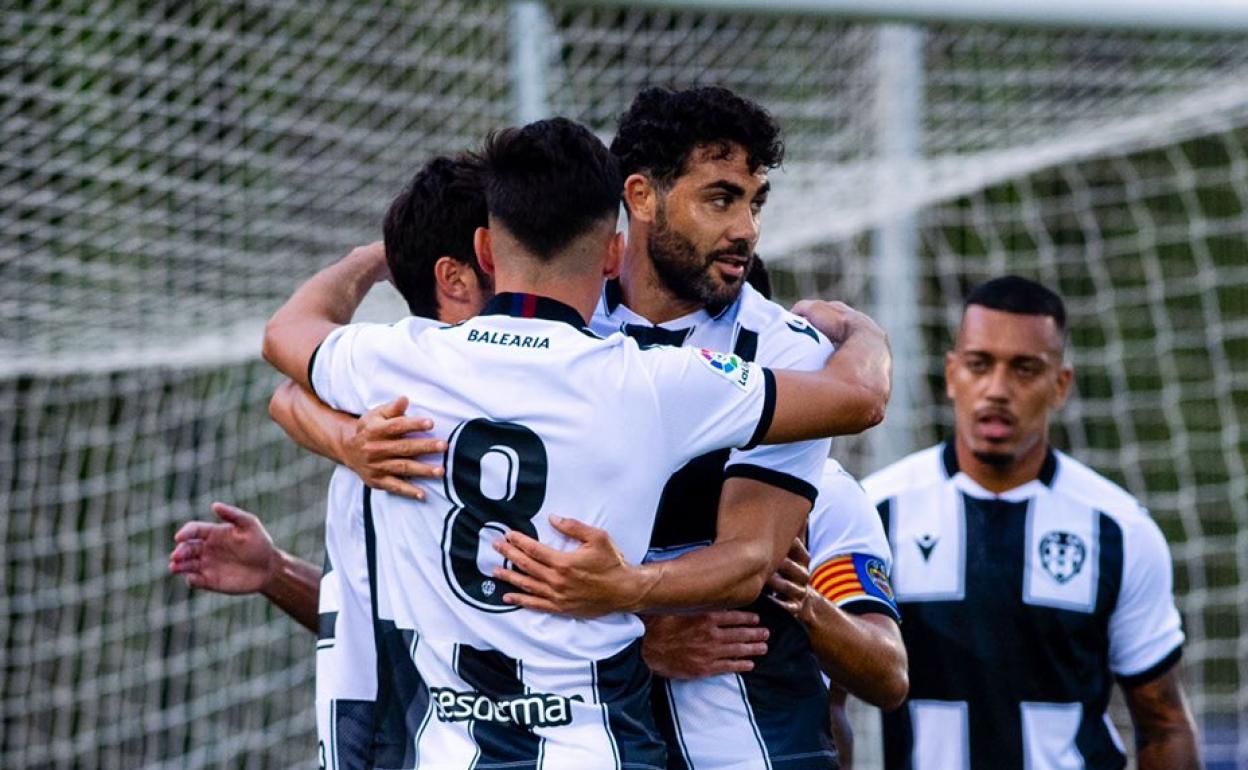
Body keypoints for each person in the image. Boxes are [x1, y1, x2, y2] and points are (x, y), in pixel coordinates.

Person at [261, 116, 891, 767]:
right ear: (614, 249)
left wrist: (374, 266)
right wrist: (857, 329)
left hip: (447, 742)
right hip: (592, 743)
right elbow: (860, 398)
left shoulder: (403, 359)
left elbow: (286, 339)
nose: (747, 229)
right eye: (724, 198)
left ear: (484, 250)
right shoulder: (642, 378)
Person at [488, 86, 906, 770]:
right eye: (720, 198)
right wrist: (640, 638)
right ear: (642, 197)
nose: (746, 228)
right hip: (582, 734)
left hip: (753, 743)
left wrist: (625, 597)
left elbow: (748, 561)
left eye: (755, 202)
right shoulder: (555, 332)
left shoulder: (787, 352)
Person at [171, 154, 491, 769]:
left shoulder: (382, 399)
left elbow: (287, 374)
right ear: (455, 276)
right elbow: (375, 630)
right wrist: (278, 573)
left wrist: (369, 257)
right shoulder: (395, 397)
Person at [861, 276, 1200, 770]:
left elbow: (1164, 724)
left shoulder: (1120, 530)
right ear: (952, 374)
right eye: (979, 365)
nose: (997, 390)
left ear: (1060, 385)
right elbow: (824, 705)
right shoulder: (876, 512)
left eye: (1025, 369)